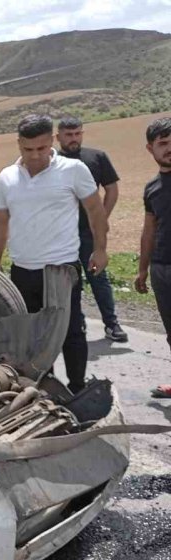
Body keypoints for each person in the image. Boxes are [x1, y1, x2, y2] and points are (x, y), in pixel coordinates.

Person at [0, 113, 109, 394]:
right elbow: (1, 220)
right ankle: (45, 390)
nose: (35, 155)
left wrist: (100, 249)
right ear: (18, 144)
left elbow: (95, 210)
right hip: (22, 269)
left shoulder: (73, 169)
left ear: (52, 141)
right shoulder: (7, 177)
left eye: (41, 148)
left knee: (70, 331)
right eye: (28, 149)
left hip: (61, 268)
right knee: (32, 334)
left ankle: (77, 390)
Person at [56, 115, 128, 342]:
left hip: (89, 233)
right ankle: (76, 322)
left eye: (77, 133)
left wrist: (101, 219)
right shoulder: (51, 161)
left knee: (98, 276)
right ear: (58, 137)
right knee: (67, 280)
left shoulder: (96, 157)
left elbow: (111, 189)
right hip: (60, 233)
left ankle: (112, 324)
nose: (74, 138)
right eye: (68, 135)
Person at [135, 117, 171, 398]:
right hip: (161, 268)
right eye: (163, 143)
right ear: (151, 149)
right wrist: (143, 269)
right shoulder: (152, 188)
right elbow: (149, 230)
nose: (169, 148)